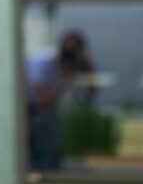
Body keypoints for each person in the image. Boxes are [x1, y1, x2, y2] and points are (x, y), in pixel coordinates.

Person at [25, 31, 95, 170]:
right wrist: (65, 80)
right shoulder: (43, 62)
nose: (70, 57)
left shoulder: (67, 66)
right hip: (27, 110)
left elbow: (92, 93)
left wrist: (88, 67)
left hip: (40, 111)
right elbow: (42, 102)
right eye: (69, 53)